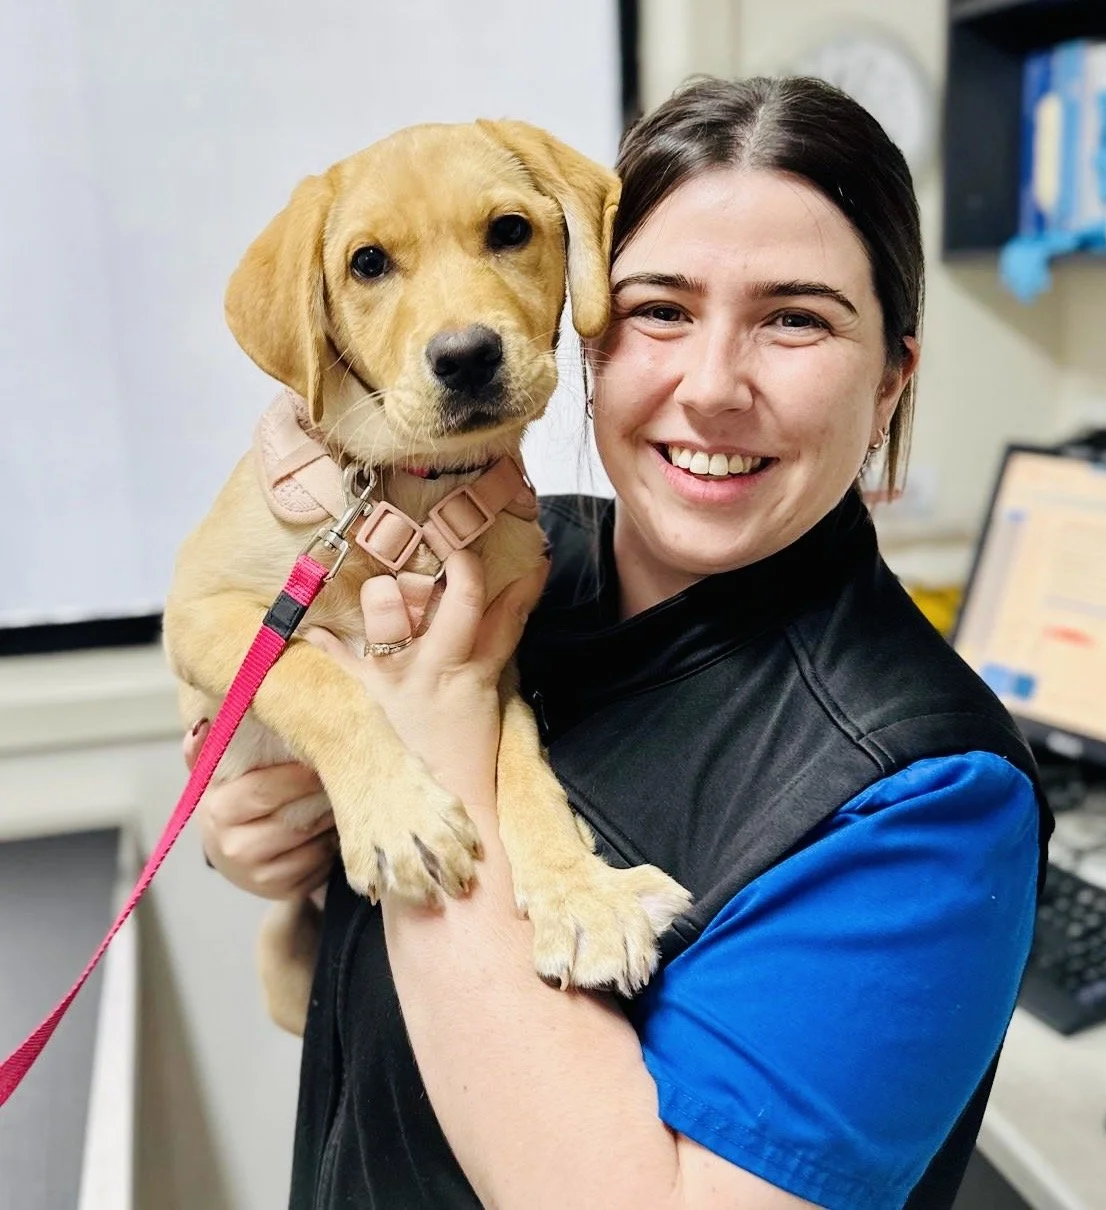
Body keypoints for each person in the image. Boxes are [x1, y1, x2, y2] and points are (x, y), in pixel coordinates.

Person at [191, 76, 1052, 1210]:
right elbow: (344, 1010)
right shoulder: (502, 556)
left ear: (894, 371)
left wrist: (445, 735)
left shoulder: (928, 800)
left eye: (795, 317)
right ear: (589, 322)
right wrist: (283, 869)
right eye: (659, 309)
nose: (710, 387)